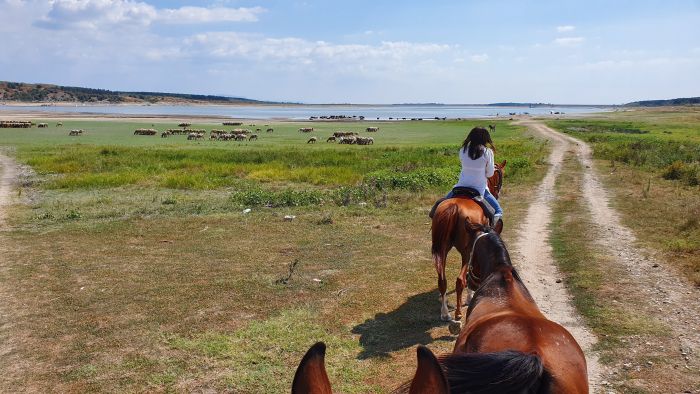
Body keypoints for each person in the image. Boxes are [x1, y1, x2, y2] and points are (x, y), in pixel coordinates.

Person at [429, 127, 503, 225]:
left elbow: (466, 165)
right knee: (498, 210)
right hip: (479, 189)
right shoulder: (487, 152)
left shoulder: (463, 150)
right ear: (485, 138)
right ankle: (490, 230)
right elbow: (490, 174)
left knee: (440, 206)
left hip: (460, 186)